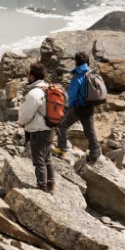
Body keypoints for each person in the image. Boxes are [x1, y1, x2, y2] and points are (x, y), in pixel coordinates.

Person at [54, 52, 101, 164]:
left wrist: (64, 109)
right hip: (90, 108)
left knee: (62, 125)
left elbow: (71, 97)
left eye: (74, 60)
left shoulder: (78, 77)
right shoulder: (93, 74)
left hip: (78, 109)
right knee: (90, 131)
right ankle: (95, 153)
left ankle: (61, 151)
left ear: (77, 62)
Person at [18, 63, 55, 194]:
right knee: (47, 158)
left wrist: (21, 122)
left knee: (39, 160)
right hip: (49, 129)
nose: (27, 77)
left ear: (32, 77)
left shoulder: (34, 93)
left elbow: (27, 113)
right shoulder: (48, 88)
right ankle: (51, 185)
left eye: (28, 74)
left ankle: (42, 188)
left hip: (38, 130)